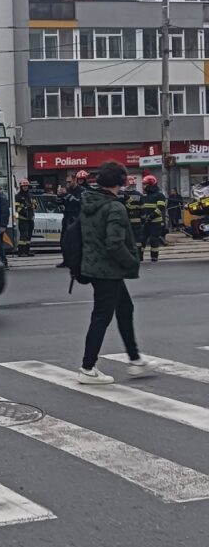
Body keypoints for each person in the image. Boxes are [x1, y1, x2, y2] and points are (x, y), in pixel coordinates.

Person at [76, 160, 152, 385]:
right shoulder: (114, 207)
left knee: (125, 309)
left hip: (93, 266)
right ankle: (88, 367)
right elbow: (115, 244)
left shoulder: (89, 201)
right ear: (120, 181)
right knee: (101, 316)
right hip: (108, 270)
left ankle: (135, 358)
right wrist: (133, 262)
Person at [141, 173, 168, 262]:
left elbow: (160, 208)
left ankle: (154, 257)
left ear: (150, 184)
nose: (144, 186)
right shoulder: (145, 196)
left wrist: (151, 217)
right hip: (146, 222)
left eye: (145, 184)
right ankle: (140, 257)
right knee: (141, 241)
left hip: (155, 223)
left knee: (154, 240)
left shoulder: (159, 195)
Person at [122, 175, 145, 262]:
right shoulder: (139, 195)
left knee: (126, 239)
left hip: (126, 221)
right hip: (137, 221)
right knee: (138, 240)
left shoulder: (122, 195)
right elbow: (142, 209)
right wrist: (143, 220)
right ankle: (139, 256)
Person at [14, 179, 35, 257]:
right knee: (23, 236)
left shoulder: (30, 195)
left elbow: (35, 205)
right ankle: (21, 252)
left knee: (29, 236)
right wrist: (23, 207)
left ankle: (27, 251)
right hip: (23, 219)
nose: (25, 187)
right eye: (24, 186)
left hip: (30, 218)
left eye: (26, 186)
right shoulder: (18, 196)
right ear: (21, 186)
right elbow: (16, 208)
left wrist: (32, 205)